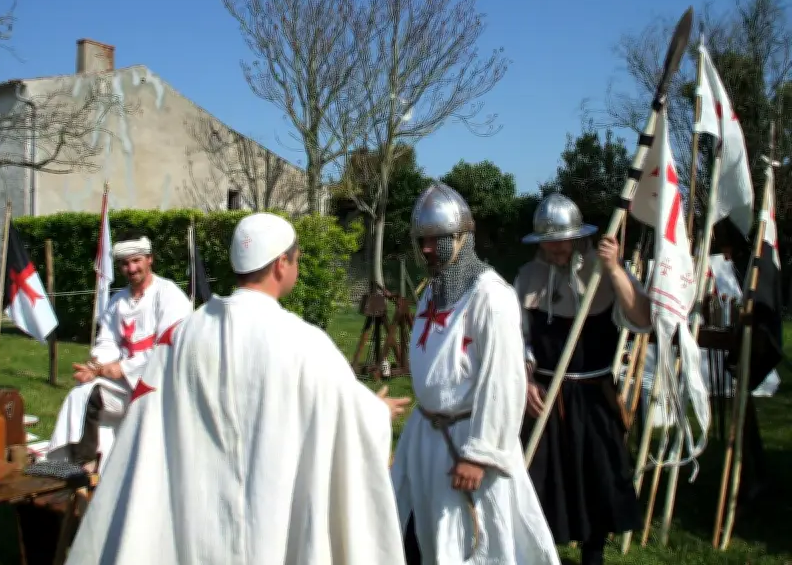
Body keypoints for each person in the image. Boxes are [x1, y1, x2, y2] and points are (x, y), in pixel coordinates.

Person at [66, 213, 411, 565]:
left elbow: (147, 426)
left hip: (198, 517)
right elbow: (349, 417)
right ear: (281, 264)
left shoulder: (180, 338)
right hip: (275, 518)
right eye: (297, 259)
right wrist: (378, 414)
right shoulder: (306, 344)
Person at [392, 183, 560, 565]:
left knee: (478, 541)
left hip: (470, 441)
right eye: (422, 240)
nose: (427, 249)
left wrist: (479, 454)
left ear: (462, 238)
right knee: (429, 536)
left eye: (437, 240)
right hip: (427, 437)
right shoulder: (432, 292)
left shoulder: (491, 296)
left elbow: (504, 381)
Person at [515, 194, 652, 565]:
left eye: (563, 239)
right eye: (549, 241)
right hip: (544, 396)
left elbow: (641, 319)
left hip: (594, 396)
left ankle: (594, 556)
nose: (556, 248)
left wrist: (615, 270)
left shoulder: (604, 272)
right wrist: (527, 382)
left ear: (578, 236)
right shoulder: (528, 277)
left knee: (597, 482)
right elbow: (520, 341)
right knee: (539, 484)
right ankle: (539, 553)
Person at [46, 231, 192, 471]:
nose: (131, 268)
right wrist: (96, 367)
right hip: (127, 384)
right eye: (125, 264)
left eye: (136, 261)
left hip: (161, 385)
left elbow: (169, 347)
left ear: (149, 259)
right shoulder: (118, 301)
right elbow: (108, 341)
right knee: (82, 394)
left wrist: (122, 368)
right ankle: (84, 468)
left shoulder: (169, 295)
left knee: (91, 395)